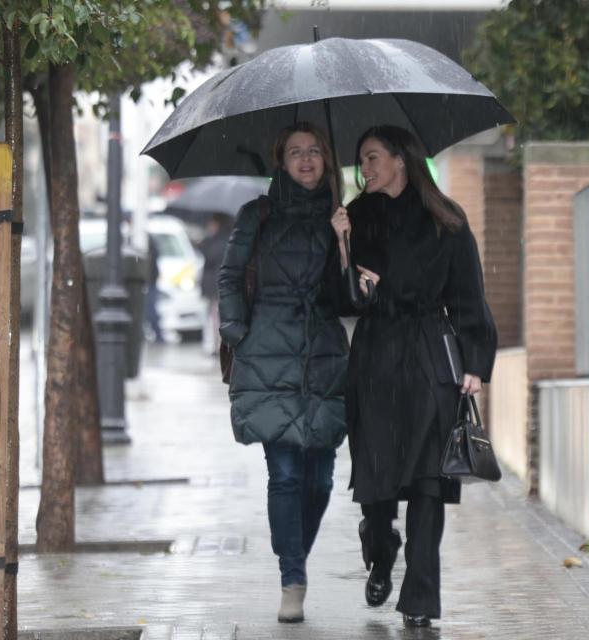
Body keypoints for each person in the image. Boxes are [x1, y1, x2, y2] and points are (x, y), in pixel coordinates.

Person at [330, 125, 497, 628]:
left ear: (401, 159)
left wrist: (474, 363)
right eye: (361, 160)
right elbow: (342, 302)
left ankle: (420, 599)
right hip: (375, 358)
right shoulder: (355, 218)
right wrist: (342, 247)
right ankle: (380, 548)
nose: (365, 168)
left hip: (429, 357)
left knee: (428, 482)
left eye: (373, 157)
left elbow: (469, 294)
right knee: (377, 484)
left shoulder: (446, 219)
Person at [217, 122, 348, 624]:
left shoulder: (341, 216)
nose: (307, 159)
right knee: (287, 474)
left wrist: (343, 241)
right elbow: (230, 275)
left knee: (321, 480)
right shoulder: (258, 215)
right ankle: (291, 578)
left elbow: (350, 296)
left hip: (323, 358)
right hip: (268, 354)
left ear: (326, 160)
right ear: (281, 161)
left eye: (314, 150)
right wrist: (236, 330)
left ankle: (296, 557)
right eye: (296, 152)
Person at [200, 213, 232, 354]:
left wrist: (204, 244)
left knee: (216, 315)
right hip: (223, 283)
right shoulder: (229, 238)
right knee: (218, 315)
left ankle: (219, 345)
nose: (210, 226)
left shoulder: (218, 240)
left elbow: (211, 257)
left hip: (216, 284)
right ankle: (219, 344)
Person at [145, 232, 164, 343]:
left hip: (150, 281)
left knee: (151, 310)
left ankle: (158, 335)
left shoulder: (149, 242)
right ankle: (158, 335)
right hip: (149, 281)